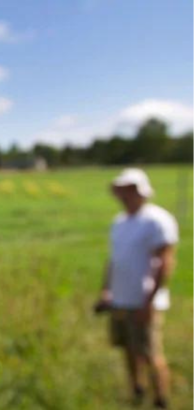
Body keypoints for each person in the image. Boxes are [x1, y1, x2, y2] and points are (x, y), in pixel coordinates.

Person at [94, 168, 178, 409]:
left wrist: (149, 302)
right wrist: (106, 291)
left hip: (143, 301)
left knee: (151, 354)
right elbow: (114, 260)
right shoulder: (119, 222)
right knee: (128, 349)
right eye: (122, 191)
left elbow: (165, 262)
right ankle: (137, 391)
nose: (125, 196)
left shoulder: (157, 220)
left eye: (130, 190)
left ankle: (162, 400)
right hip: (120, 299)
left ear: (142, 192)